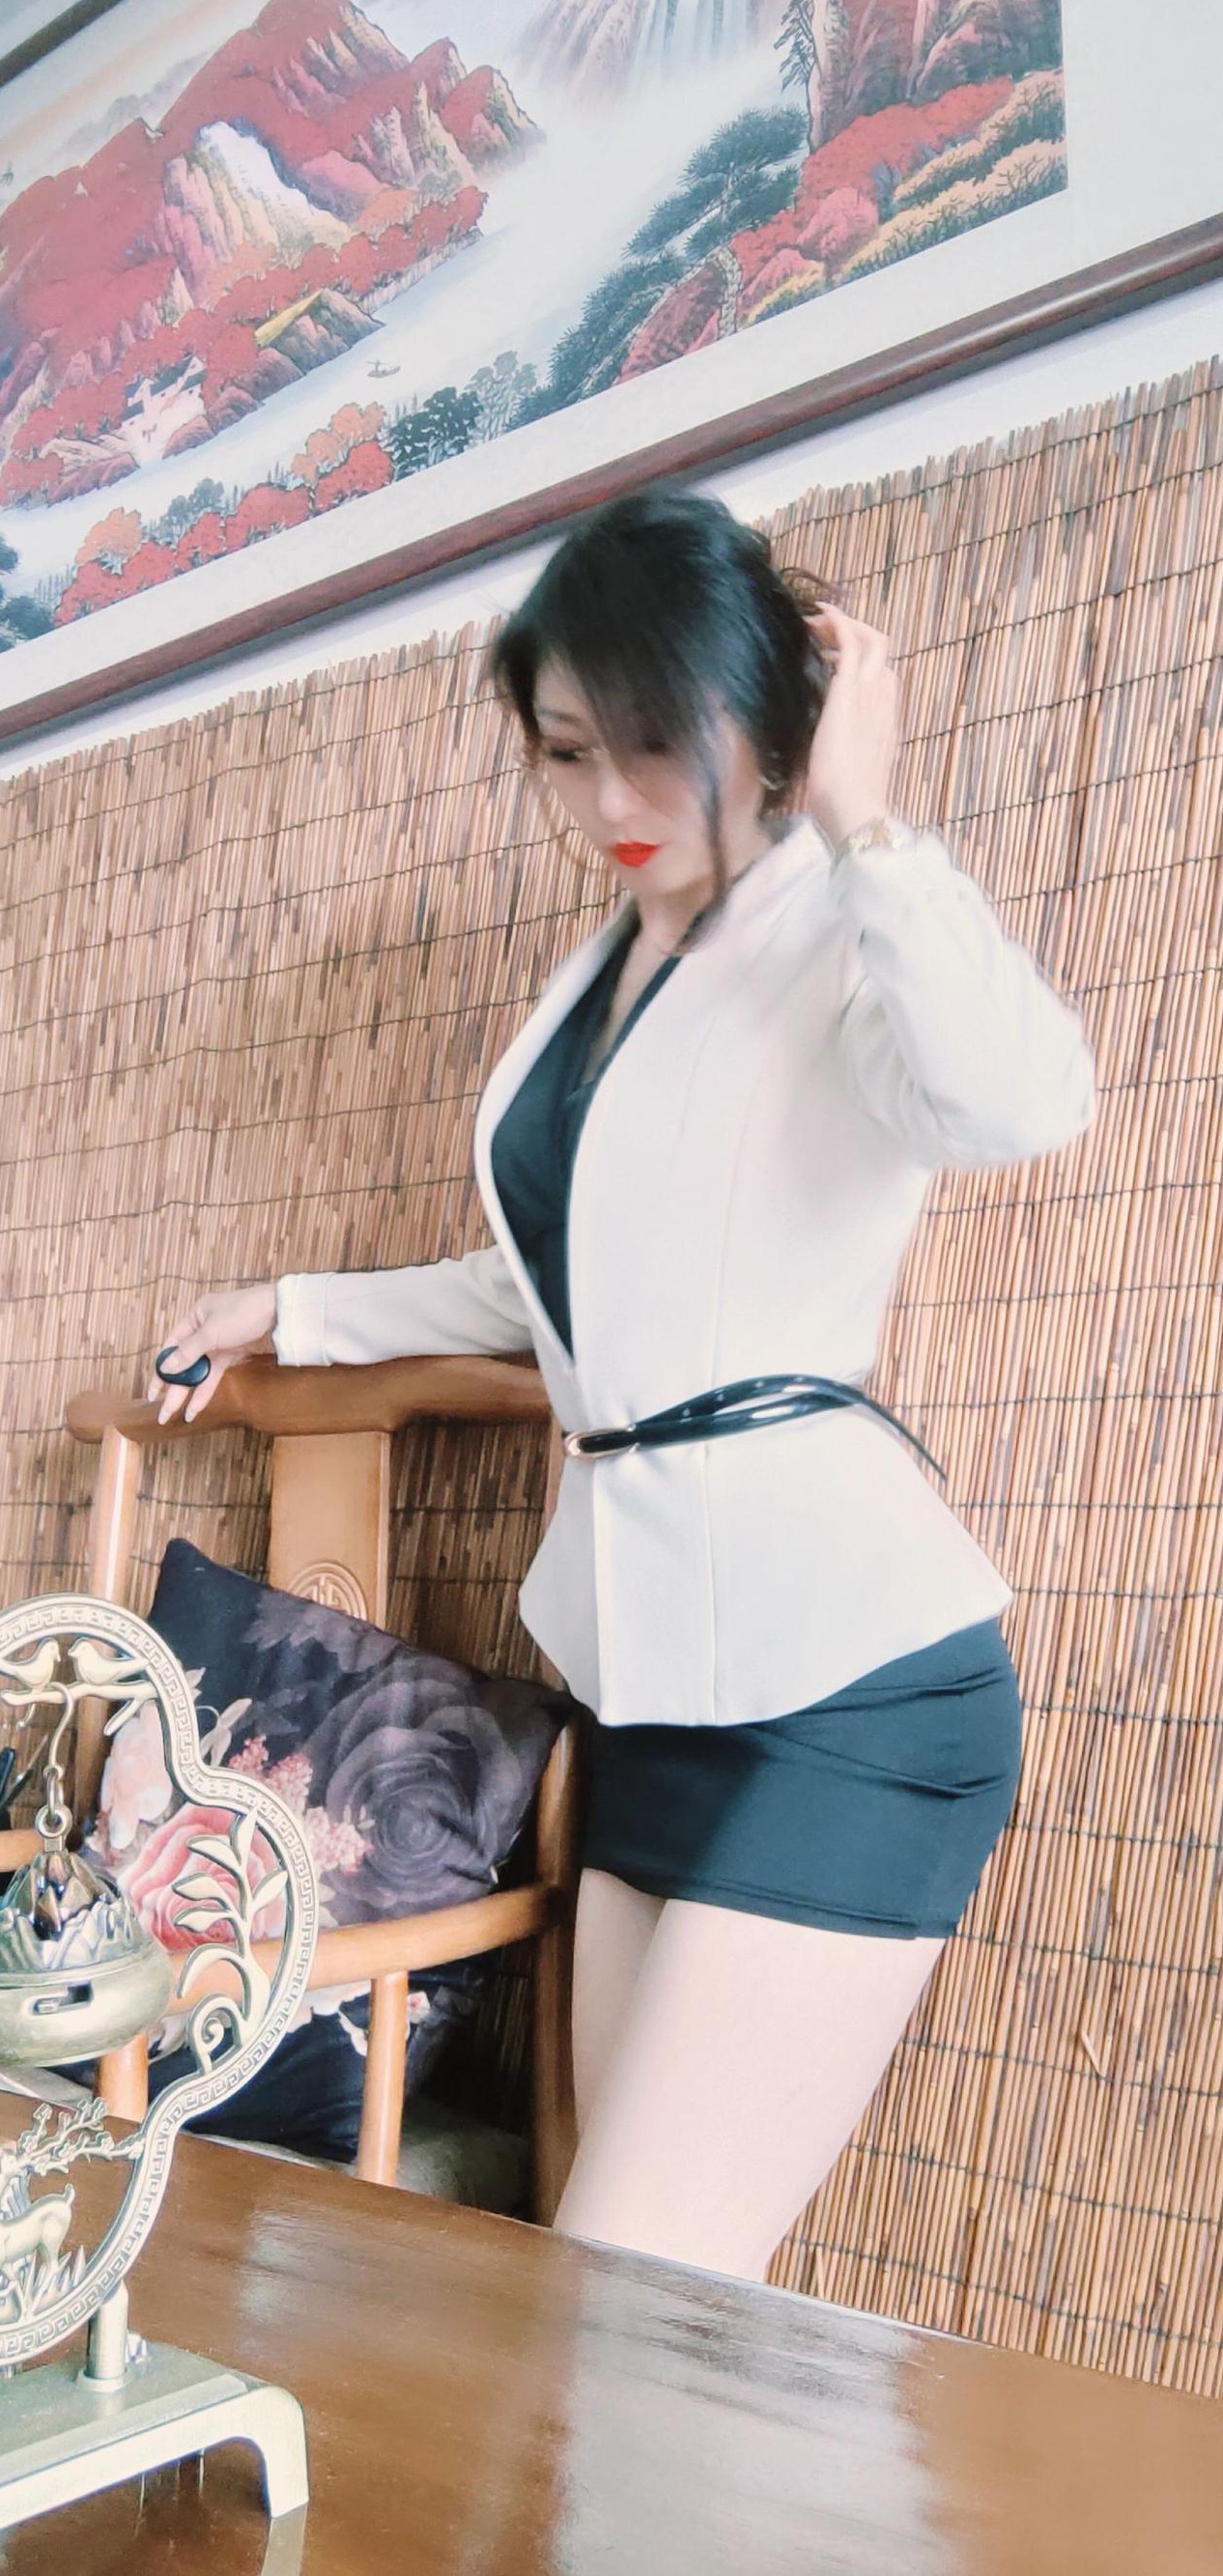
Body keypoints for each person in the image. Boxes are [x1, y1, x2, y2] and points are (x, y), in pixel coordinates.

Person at [149, 483, 1096, 2280]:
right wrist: (295, 1305)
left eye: (653, 743)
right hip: (650, 1683)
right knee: (621, 2287)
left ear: (765, 713)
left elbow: (1022, 1098)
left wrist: (867, 818)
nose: (607, 802)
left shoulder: (841, 922)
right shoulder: (603, 976)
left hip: (848, 1692)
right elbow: (565, 1293)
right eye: (568, 752)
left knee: (630, 2291)